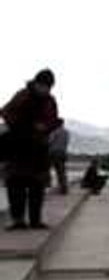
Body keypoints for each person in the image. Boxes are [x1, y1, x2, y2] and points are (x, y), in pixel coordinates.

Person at [0, 69, 60, 230]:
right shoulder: (22, 95)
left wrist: (45, 126)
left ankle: (35, 220)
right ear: (37, 83)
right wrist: (23, 125)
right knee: (15, 184)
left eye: (49, 87)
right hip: (17, 146)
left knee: (37, 185)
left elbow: (53, 120)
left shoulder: (50, 101)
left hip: (38, 147)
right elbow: (5, 112)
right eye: (44, 86)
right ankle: (18, 220)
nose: (46, 89)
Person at [48, 118, 70, 195]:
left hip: (53, 153)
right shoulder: (67, 132)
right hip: (63, 153)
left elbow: (49, 142)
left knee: (47, 170)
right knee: (61, 171)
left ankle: (48, 185)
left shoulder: (55, 132)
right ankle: (64, 188)